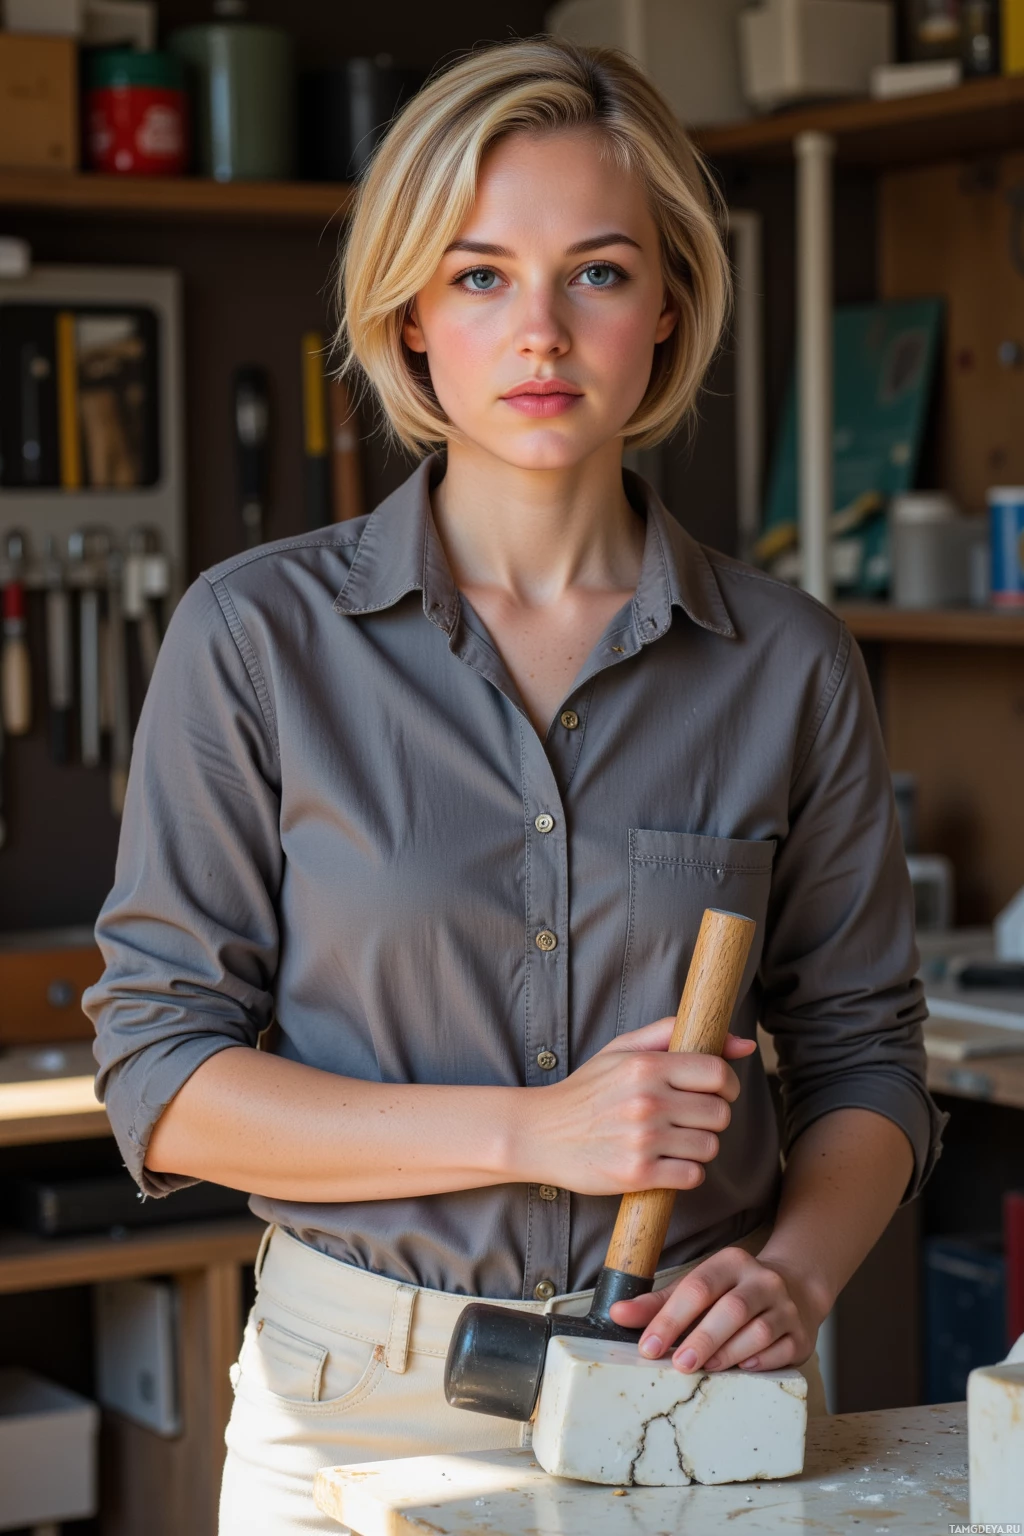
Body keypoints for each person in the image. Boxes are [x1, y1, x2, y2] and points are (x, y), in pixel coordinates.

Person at [84, 35, 948, 1534]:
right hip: (355, 1405)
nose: (540, 331)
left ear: (668, 304)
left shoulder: (789, 661)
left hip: (690, 1389)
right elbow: (161, 1079)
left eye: (596, 272)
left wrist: (794, 1276)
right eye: (480, 275)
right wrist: (533, 1129)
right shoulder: (256, 637)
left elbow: (869, 1056)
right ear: (409, 314)